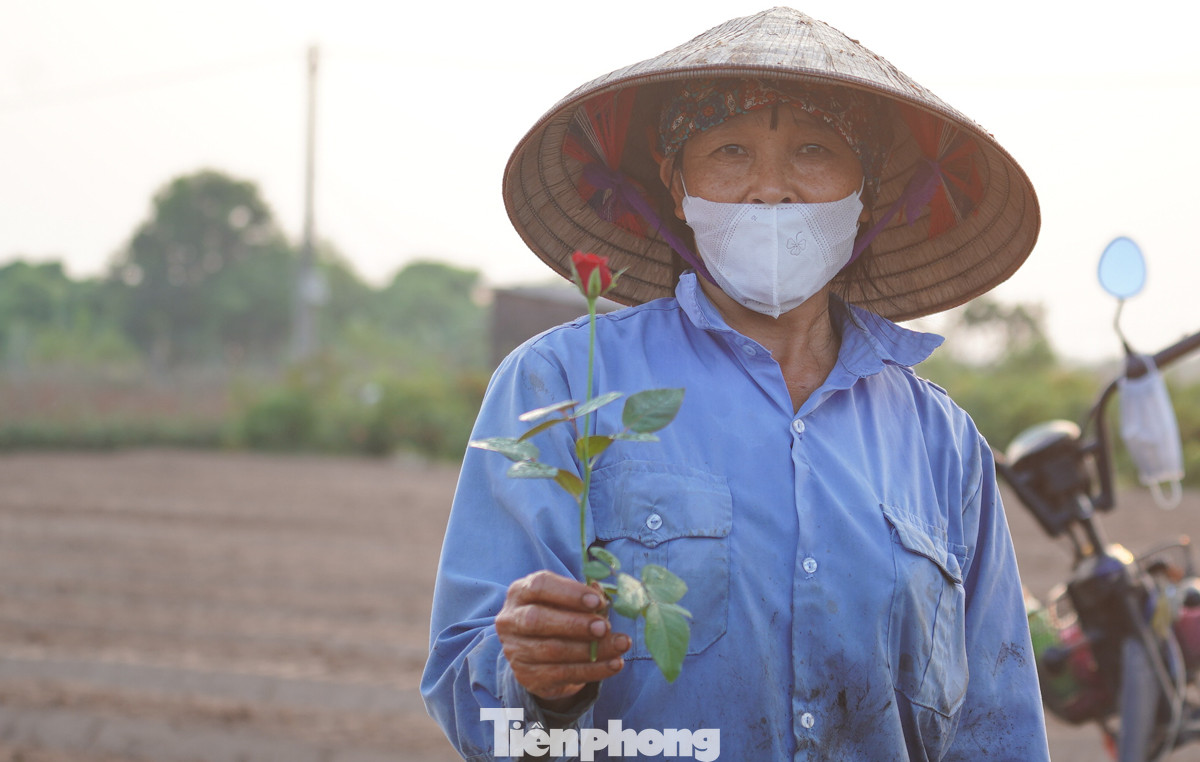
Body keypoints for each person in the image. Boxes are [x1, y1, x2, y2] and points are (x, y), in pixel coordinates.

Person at [422, 7, 1050, 760]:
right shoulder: (562, 382)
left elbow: (998, 728)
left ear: (867, 190)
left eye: (814, 149)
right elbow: (473, 698)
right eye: (729, 150)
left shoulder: (942, 444)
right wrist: (538, 682)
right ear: (677, 185)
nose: (770, 189)